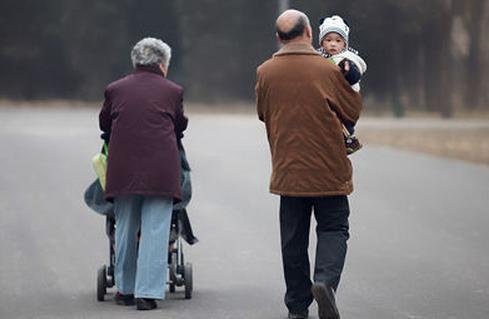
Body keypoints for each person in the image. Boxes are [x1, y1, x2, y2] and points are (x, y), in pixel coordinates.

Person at [255, 9, 362, 319]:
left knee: (293, 239)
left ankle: (297, 309)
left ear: (278, 38)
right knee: (333, 227)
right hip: (330, 168)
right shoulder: (330, 70)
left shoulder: (265, 72)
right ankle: (325, 282)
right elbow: (352, 112)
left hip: (289, 170)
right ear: (309, 35)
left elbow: (263, 112)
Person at [99, 37, 188, 311]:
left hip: (122, 170)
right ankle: (147, 294)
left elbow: (104, 123)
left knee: (125, 228)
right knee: (156, 229)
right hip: (161, 171)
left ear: (136, 62)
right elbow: (179, 125)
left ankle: (125, 289)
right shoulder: (173, 91)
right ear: (162, 64)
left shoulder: (115, 89)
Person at [317, 15, 367, 155]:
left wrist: (348, 70)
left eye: (338, 41)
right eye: (328, 40)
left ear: (344, 44)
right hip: (326, 96)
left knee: (342, 119)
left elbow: (356, 76)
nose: (333, 44)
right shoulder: (318, 58)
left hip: (344, 96)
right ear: (321, 43)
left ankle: (348, 138)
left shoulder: (348, 58)